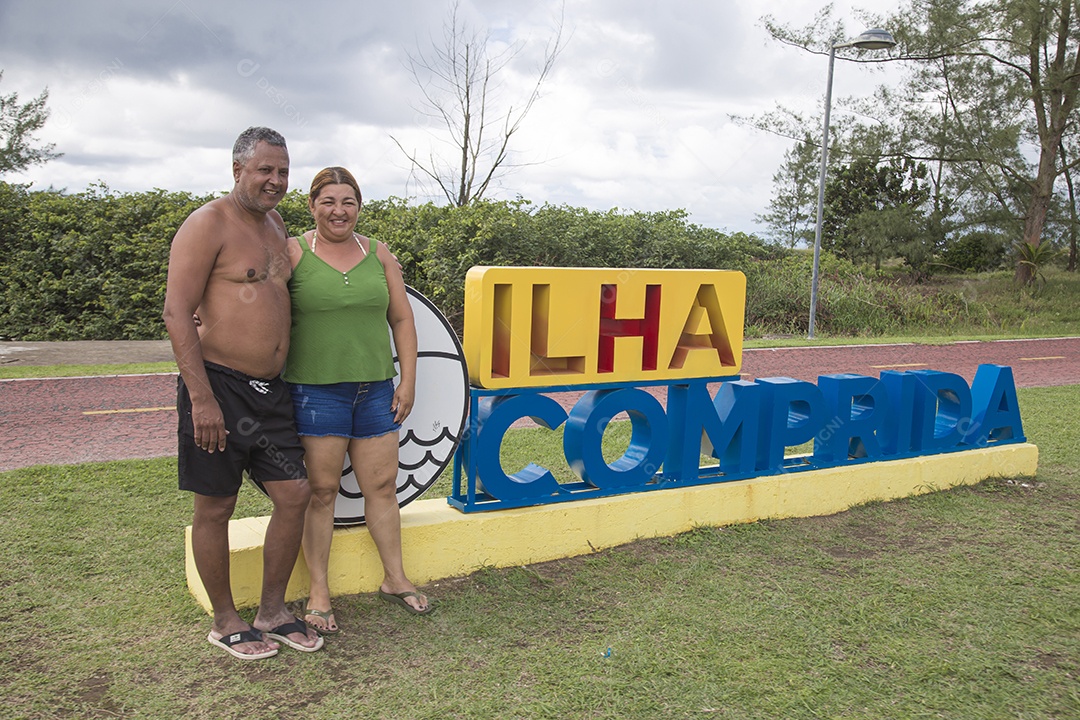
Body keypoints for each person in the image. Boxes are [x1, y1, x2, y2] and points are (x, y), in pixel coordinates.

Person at [163, 127, 323, 659]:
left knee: (294, 493)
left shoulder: (276, 225)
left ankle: (273, 610)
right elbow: (176, 312)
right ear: (238, 171)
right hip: (220, 387)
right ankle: (225, 619)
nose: (275, 180)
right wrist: (202, 399)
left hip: (269, 392)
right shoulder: (207, 223)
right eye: (264, 170)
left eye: (282, 171)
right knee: (217, 505)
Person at [283, 166, 429, 635]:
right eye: (328, 201)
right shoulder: (292, 252)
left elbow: (402, 321)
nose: (338, 211)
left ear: (359, 207)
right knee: (321, 492)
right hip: (315, 390)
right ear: (312, 206)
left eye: (348, 202)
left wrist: (407, 381)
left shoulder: (380, 254)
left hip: (376, 391)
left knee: (383, 488)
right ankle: (319, 592)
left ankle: (395, 578)